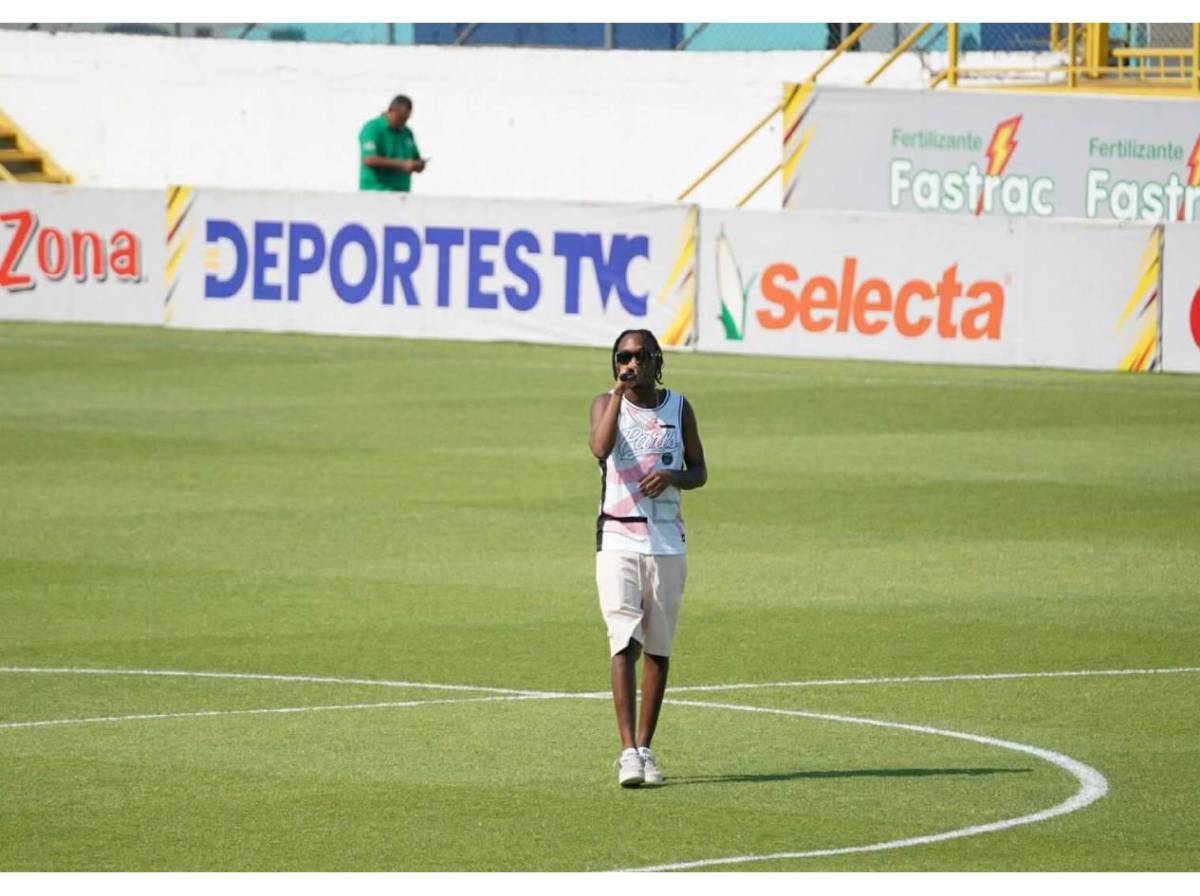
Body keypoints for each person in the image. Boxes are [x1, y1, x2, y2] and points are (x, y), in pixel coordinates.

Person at [588, 329, 707, 788]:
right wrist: (619, 392)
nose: (630, 363)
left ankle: (646, 747)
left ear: (657, 361)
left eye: (639, 356)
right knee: (624, 640)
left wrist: (674, 476)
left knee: (658, 647)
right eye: (622, 356)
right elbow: (599, 449)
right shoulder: (606, 403)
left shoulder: (679, 408)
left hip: (667, 543)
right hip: (618, 538)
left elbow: (700, 471)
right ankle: (626, 754)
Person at [358, 95, 425, 192]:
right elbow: (369, 160)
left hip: (402, 194)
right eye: (400, 118)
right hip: (376, 191)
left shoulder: (407, 132)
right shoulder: (372, 128)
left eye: (406, 118)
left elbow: (415, 157)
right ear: (391, 111)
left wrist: (418, 165)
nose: (403, 122)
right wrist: (402, 164)